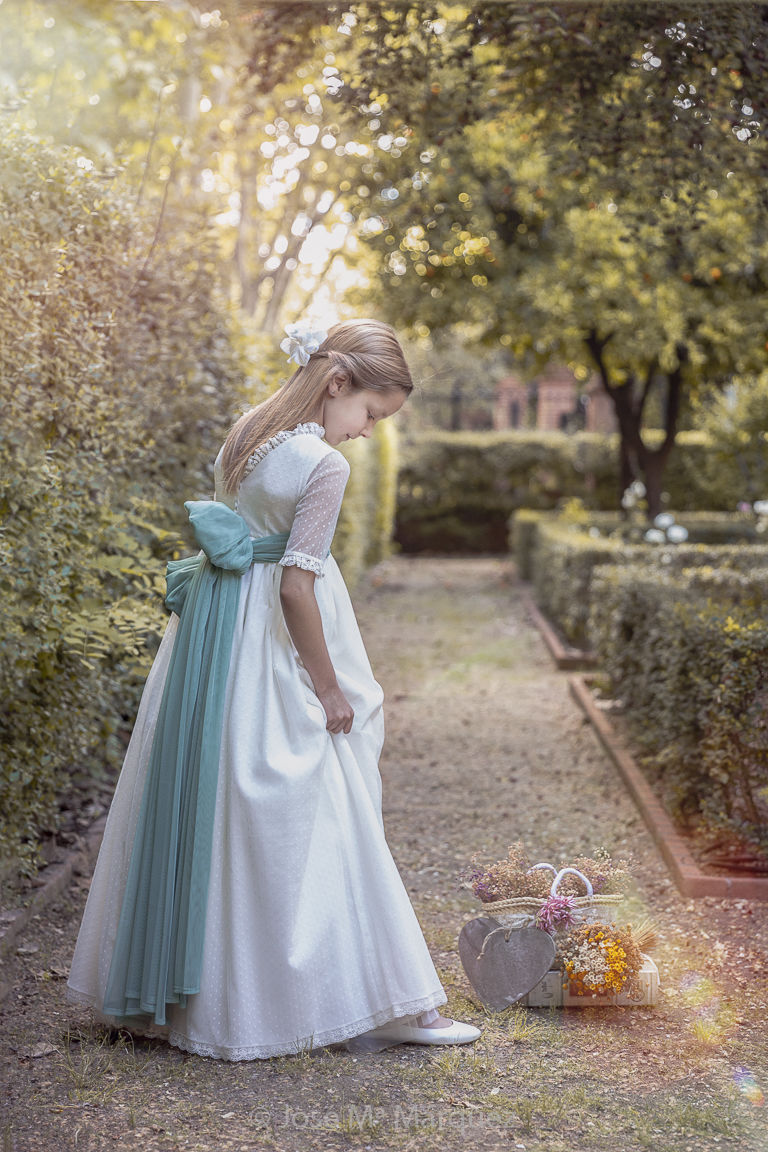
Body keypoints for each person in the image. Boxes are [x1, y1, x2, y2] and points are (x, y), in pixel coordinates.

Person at [67, 317, 482, 1059]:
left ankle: (202, 992)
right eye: (371, 415)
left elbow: (248, 538)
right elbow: (297, 588)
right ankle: (385, 1000)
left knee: (218, 802)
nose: (365, 433)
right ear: (338, 383)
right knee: (324, 793)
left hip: (214, 632)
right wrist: (327, 687)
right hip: (267, 638)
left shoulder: (249, 433)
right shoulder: (323, 464)